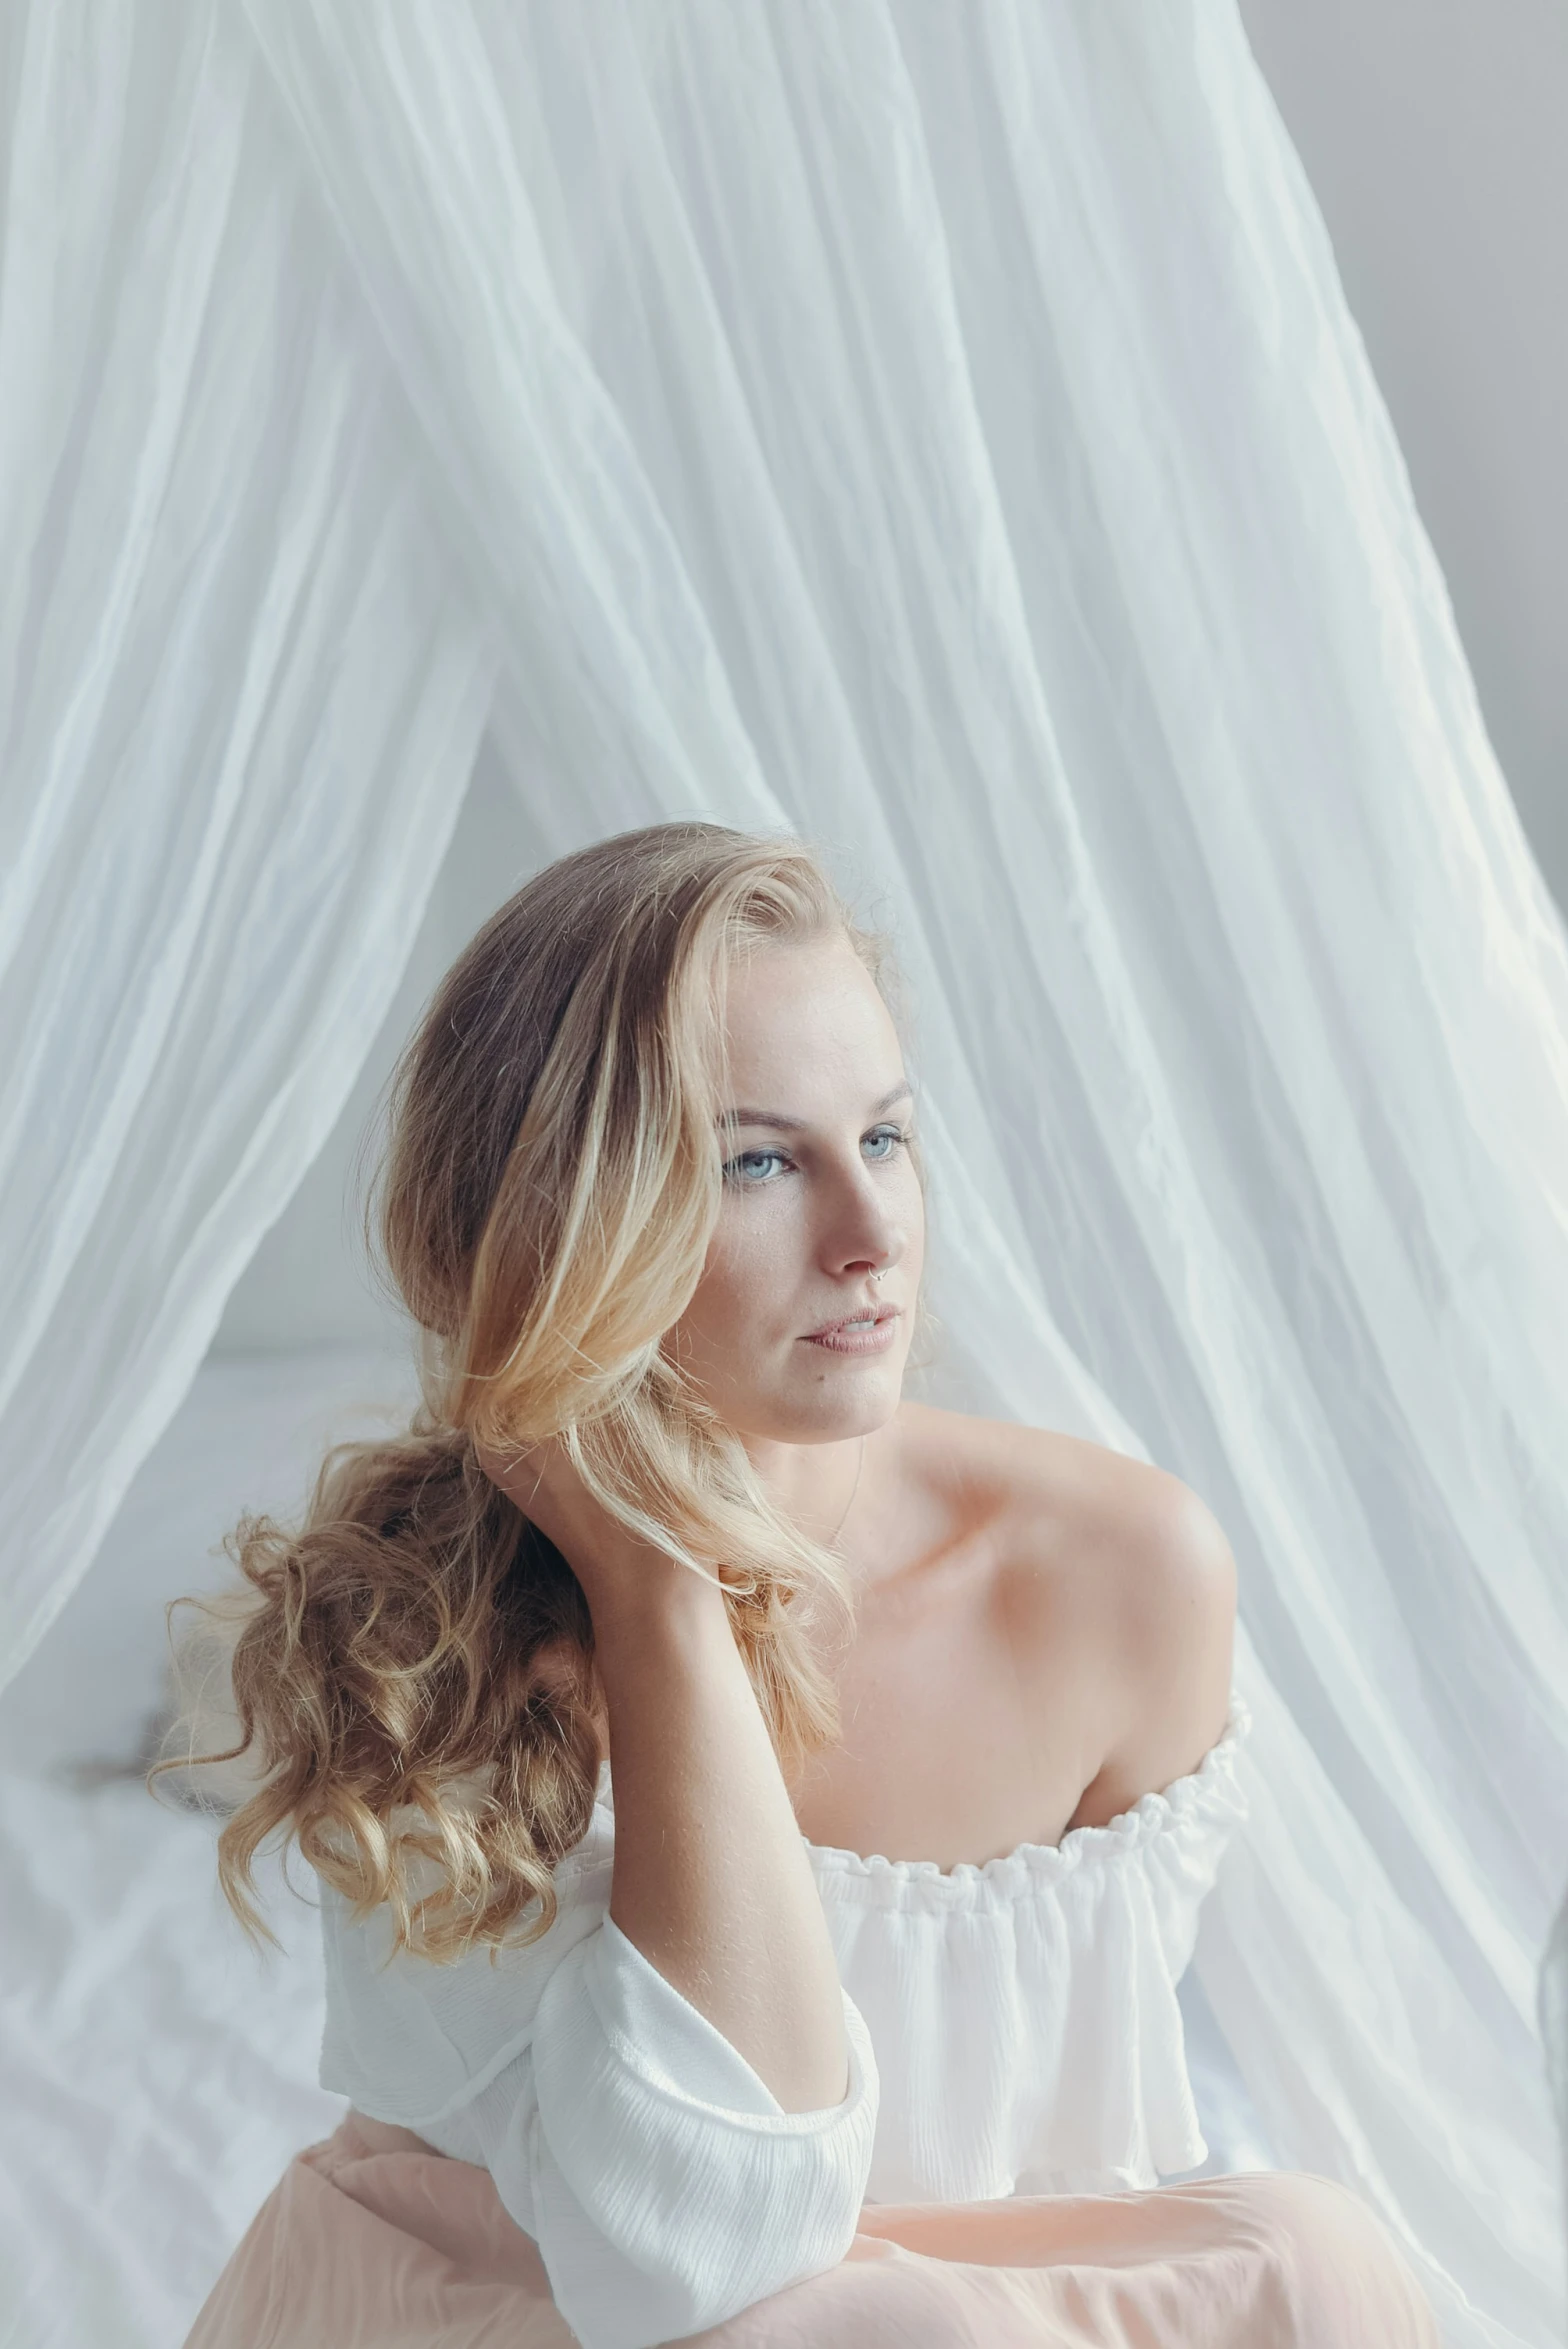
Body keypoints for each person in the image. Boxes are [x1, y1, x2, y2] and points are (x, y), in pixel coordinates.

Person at [171, 823, 1437, 2348]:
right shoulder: (419, 1644)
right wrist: (663, 1599)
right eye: (759, 1161)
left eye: (886, 1139)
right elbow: (696, 2256)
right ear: (559, 1224)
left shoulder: (1121, 1579)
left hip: (966, 2312)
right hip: (510, 2302)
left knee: (1310, 2252)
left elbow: (1035, 2181)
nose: (870, 1235)